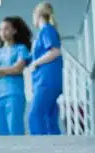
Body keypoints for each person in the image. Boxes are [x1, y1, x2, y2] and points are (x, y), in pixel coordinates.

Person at [0, 16, 32, 135]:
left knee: (15, 131)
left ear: (14, 31)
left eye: (6, 29)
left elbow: (18, 69)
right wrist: (7, 70)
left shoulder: (21, 49)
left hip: (13, 94)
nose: (3, 32)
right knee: (2, 134)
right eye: (1, 30)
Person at [29, 2, 63, 135]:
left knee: (35, 116)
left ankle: (39, 152)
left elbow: (54, 52)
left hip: (46, 81)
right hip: (46, 81)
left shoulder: (47, 30)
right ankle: (56, 152)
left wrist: (35, 63)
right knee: (50, 118)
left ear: (37, 15)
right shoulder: (47, 32)